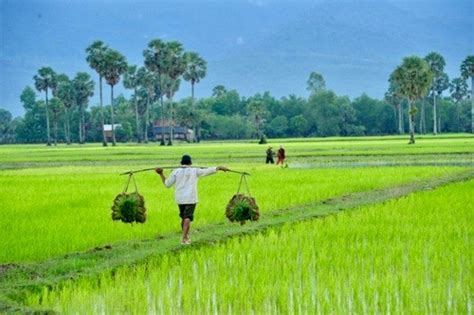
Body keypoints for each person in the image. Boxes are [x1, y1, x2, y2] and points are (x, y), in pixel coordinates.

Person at [155, 155, 228, 245]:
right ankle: (184, 238)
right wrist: (218, 168)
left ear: (181, 163)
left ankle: (186, 236)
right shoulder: (194, 170)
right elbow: (207, 171)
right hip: (190, 198)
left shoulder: (176, 171)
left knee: (184, 217)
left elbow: (167, 184)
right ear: (190, 163)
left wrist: (161, 174)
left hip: (180, 198)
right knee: (187, 217)